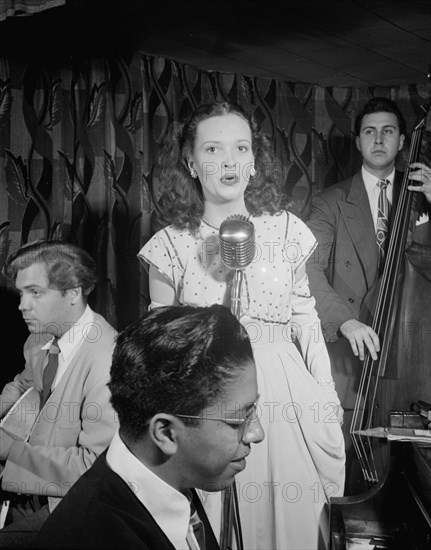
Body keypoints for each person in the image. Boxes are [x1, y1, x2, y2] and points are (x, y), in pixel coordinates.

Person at [138, 102, 345, 550]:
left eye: (241, 148)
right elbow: (159, 339)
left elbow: (305, 316)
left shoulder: (287, 230)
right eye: (213, 149)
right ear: (191, 163)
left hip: (285, 394)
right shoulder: (169, 245)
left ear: (254, 161)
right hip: (209, 395)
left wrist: (325, 394)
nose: (229, 161)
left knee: (293, 523)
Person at [305, 96, 431, 414]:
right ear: (357, 141)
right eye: (369, 132)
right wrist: (346, 321)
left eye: (388, 131)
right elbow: (307, 268)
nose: (378, 140)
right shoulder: (330, 202)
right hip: (350, 363)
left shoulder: (424, 192)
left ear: (402, 140)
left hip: (415, 359)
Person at [31, 304, 264, 549]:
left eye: (253, 411)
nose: (256, 433)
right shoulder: (94, 537)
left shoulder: (172, 477)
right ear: (165, 433)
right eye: (238, 420)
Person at [0, 240, 119, 546]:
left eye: (35, 292)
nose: (22, 305)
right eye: (21, 292)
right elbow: (25, 387)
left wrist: (8, 451)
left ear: (74, 293)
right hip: (29, 491)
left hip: (75, 505)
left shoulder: (107, 359)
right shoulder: (39, 339)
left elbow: (95, 468)